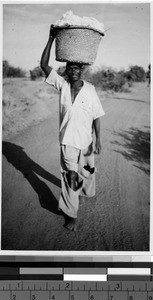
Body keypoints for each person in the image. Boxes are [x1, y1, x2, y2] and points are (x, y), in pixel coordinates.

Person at [40, 25, 105, 231]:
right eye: (69, 69)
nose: (73, 71)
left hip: (86, 142)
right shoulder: (62, 86)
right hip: (68, 141)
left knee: (87, 172)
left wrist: (98, 139)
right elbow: (43, 65)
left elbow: (96, 116)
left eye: (76, 68)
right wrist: (51, 39)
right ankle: (71, 214)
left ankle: (82, 193)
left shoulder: (90, 90)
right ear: (66, 71)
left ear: (81, 70)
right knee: (71, 177)